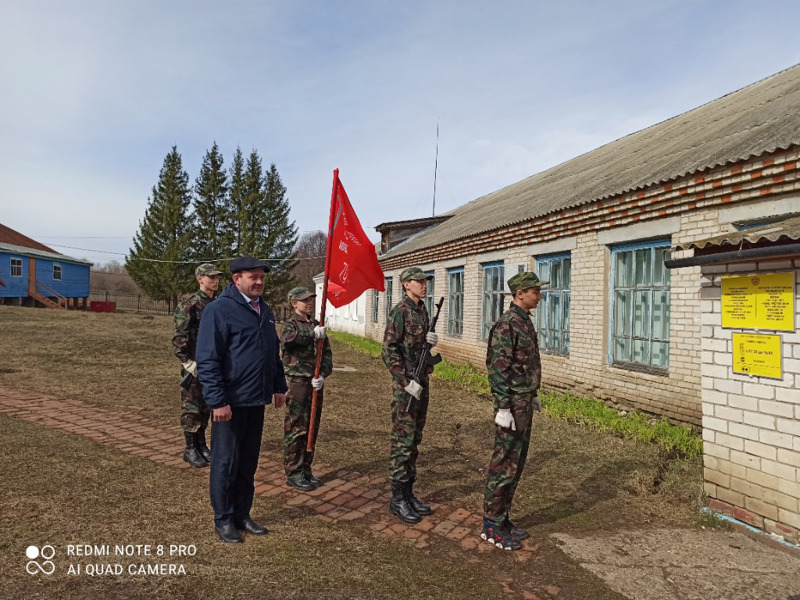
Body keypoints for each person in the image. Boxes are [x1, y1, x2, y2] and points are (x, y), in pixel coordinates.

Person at [196, 256, 288, 544]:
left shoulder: (265, 311)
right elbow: (208, 359)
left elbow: (272, 352)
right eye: (253, 277)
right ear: (236, 279)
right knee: (225, 461)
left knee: (248, 461)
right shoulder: (219, 310)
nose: (259, 282)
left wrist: (278, 385)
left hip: (255, 399)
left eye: (262, 277)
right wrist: (217, 401)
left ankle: (242, 514)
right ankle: (223, 518)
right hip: (230, 402)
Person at [481, 271, 547, 550]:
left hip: (522, 400)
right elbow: (498, 368)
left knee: (516, 463)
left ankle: (503, 516)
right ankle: (491, 524)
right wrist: (503, 406)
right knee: (504, 462)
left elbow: (526, 363)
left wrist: (531, 394)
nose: (539, 295)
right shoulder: (507, 324)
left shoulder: (524, 322)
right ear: (520, 293)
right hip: (511, 404)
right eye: (534, 290)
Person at [382, 266, 439, 523]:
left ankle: (408, 493)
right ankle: (397, 499)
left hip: (422, 382)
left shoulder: (422, 310)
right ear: (406, 285)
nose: (423, 284)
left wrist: (429, 343)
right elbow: (389, 350)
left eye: (425, 281)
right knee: (402, 441)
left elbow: (417, 348)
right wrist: (405, 381)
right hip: (407, 388)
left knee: (415, 439)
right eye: (418, 281)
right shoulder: (400, 312)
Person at [280, 287, 332, 492]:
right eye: (304, 300)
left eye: (311, 299)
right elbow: (289, 340)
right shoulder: (290, 325)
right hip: (298, 382)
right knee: (297, 427)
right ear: (294, 303)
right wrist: (312, 333)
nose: (309, 303)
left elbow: (326, 354)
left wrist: (323, 374)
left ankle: (306, 468)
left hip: (314, 382)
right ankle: (293, 472)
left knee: (312, 425)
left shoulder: (317, 325)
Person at [172, 263, 222, 468]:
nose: (215, 280)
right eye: (211, 277)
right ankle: (190, 448)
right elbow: (179, 336)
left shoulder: (217, 303)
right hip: (194, 364)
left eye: (217, 277)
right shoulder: (190, 303)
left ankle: (201, 444)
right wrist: (187, 362)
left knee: (206, 405)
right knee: (192, 406)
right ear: (200, 279)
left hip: (212, 363)